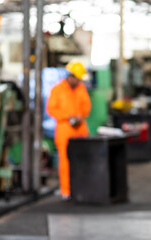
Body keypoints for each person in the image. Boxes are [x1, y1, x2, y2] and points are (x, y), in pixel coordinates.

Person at [46, 60, 91, 200]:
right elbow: (51, 109)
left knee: (84, 160)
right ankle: (66, 191)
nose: (78, 81)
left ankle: (83, 188)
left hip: (80, 129)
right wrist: (67, 117)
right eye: (76, 78)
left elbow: (86, 107)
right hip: (64, 129)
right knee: (65, 161)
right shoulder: (57, 89)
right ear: (70, 76)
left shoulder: (81, 89)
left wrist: (79, 116)